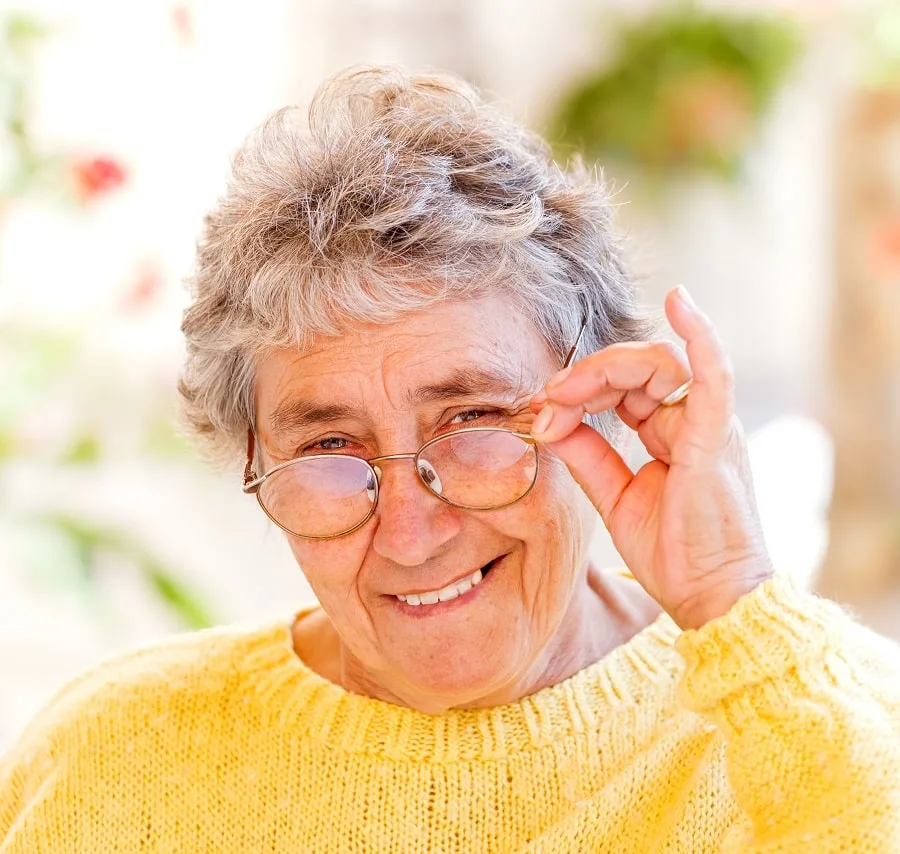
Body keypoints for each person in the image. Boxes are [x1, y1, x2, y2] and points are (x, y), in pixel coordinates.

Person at [2, 66, 898, 853]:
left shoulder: (825, 724)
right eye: (328, 446)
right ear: (255, 460)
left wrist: (732, 595)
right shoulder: (109, 761)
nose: (409, 533)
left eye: (471, 419)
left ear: (602, 401)